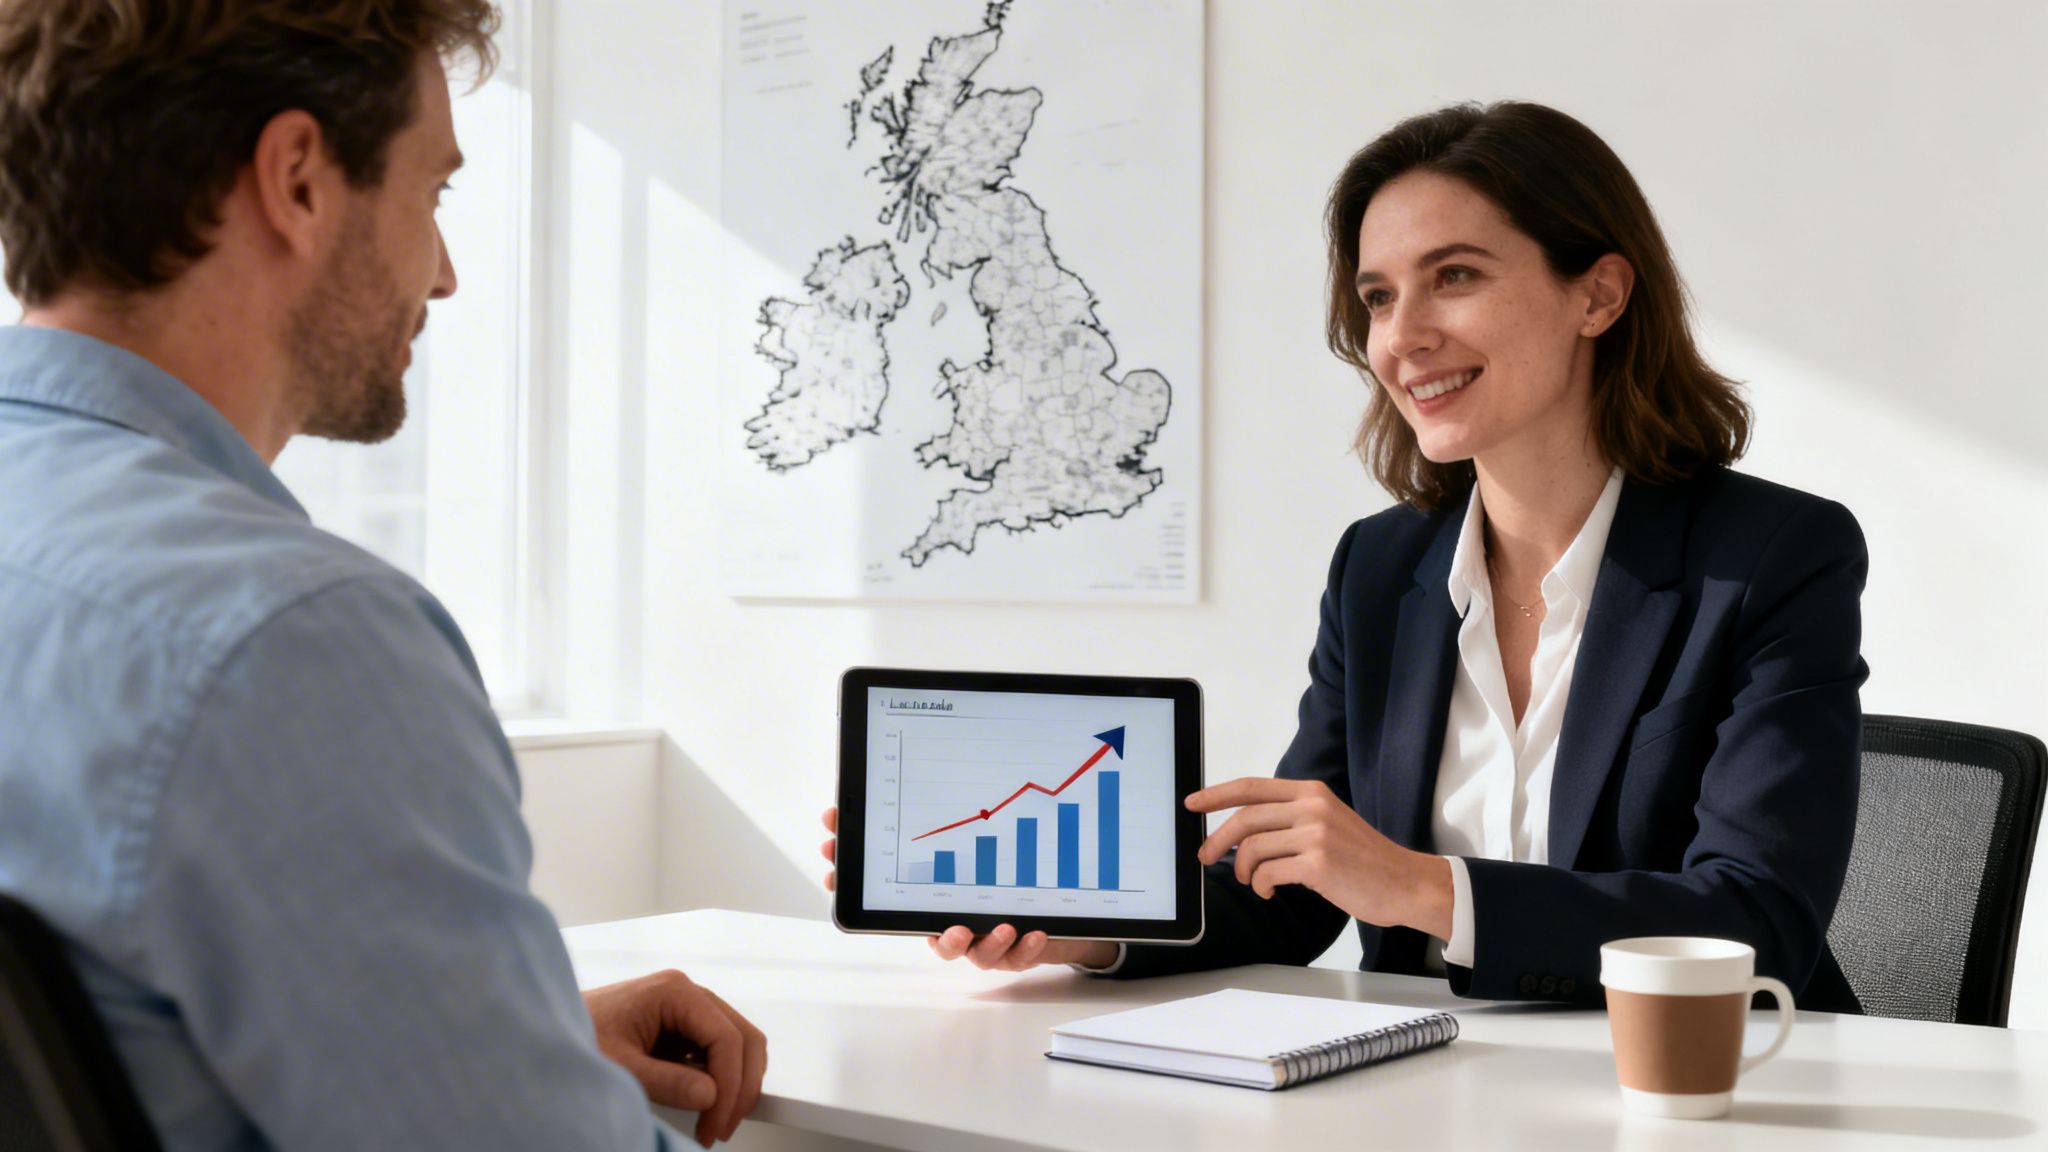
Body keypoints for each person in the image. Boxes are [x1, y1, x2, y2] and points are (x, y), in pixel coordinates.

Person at [822, 100, 1867, 1008]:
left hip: (1710, 1087)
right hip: (1431, 1082)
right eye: (1376, 297)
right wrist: (1082, 933)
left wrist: (1416, 887)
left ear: (1596, 295)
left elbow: (1754, 919)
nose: (1400, 338)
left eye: (1453, 276)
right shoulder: (1379, 570)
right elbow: (1287, 900)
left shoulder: (1773, 558)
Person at [0, 2, 762, 1147]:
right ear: (298, 180)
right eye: (434, 192)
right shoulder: (290, 643)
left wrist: (508, 1033)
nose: (443, 274)